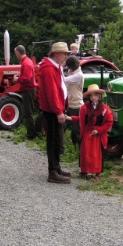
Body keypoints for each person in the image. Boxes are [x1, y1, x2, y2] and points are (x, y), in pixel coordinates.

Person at [38, 41, 71, 184]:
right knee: (54, 140)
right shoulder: (49, 69)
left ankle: (56, 167)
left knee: (56, 139)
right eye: (64, 53)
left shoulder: (54, 67)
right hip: (52, 110)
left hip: (54, 109)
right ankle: (53, 171)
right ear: (56, 54)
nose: (66, 56)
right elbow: (52, 93)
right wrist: (58, 111)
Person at [67, 84, 113, 180]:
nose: (93, 98)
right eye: (91, 96)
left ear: (99, 96)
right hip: (88, 132)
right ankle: (85, 170)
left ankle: (97, 173)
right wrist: (70, 118)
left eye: (95, 95)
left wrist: (99, 130)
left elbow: (109, 122)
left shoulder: (105, 109)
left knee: (95, 154)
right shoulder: (85, 107)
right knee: (85, 152)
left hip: (97, 135)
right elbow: (81, 119)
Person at [14, 45, 37, 140]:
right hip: (27, 89)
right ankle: (30, 132)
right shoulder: (26, 61)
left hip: (28, 89)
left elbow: (27, 78)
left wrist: (17, 79)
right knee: (27, 112)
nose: (16, 55)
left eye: (16, 53)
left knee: (28, 113)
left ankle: (31, 134)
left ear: (18, 53)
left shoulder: (26, 63)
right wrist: (19, 75)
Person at [64, 56, 84, 147]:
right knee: (63, 124)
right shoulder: (73, 72)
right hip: (70, 103)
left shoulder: (78, 75)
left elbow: (64, 80)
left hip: (76, 105)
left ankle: (78, 147)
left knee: (76, 129)